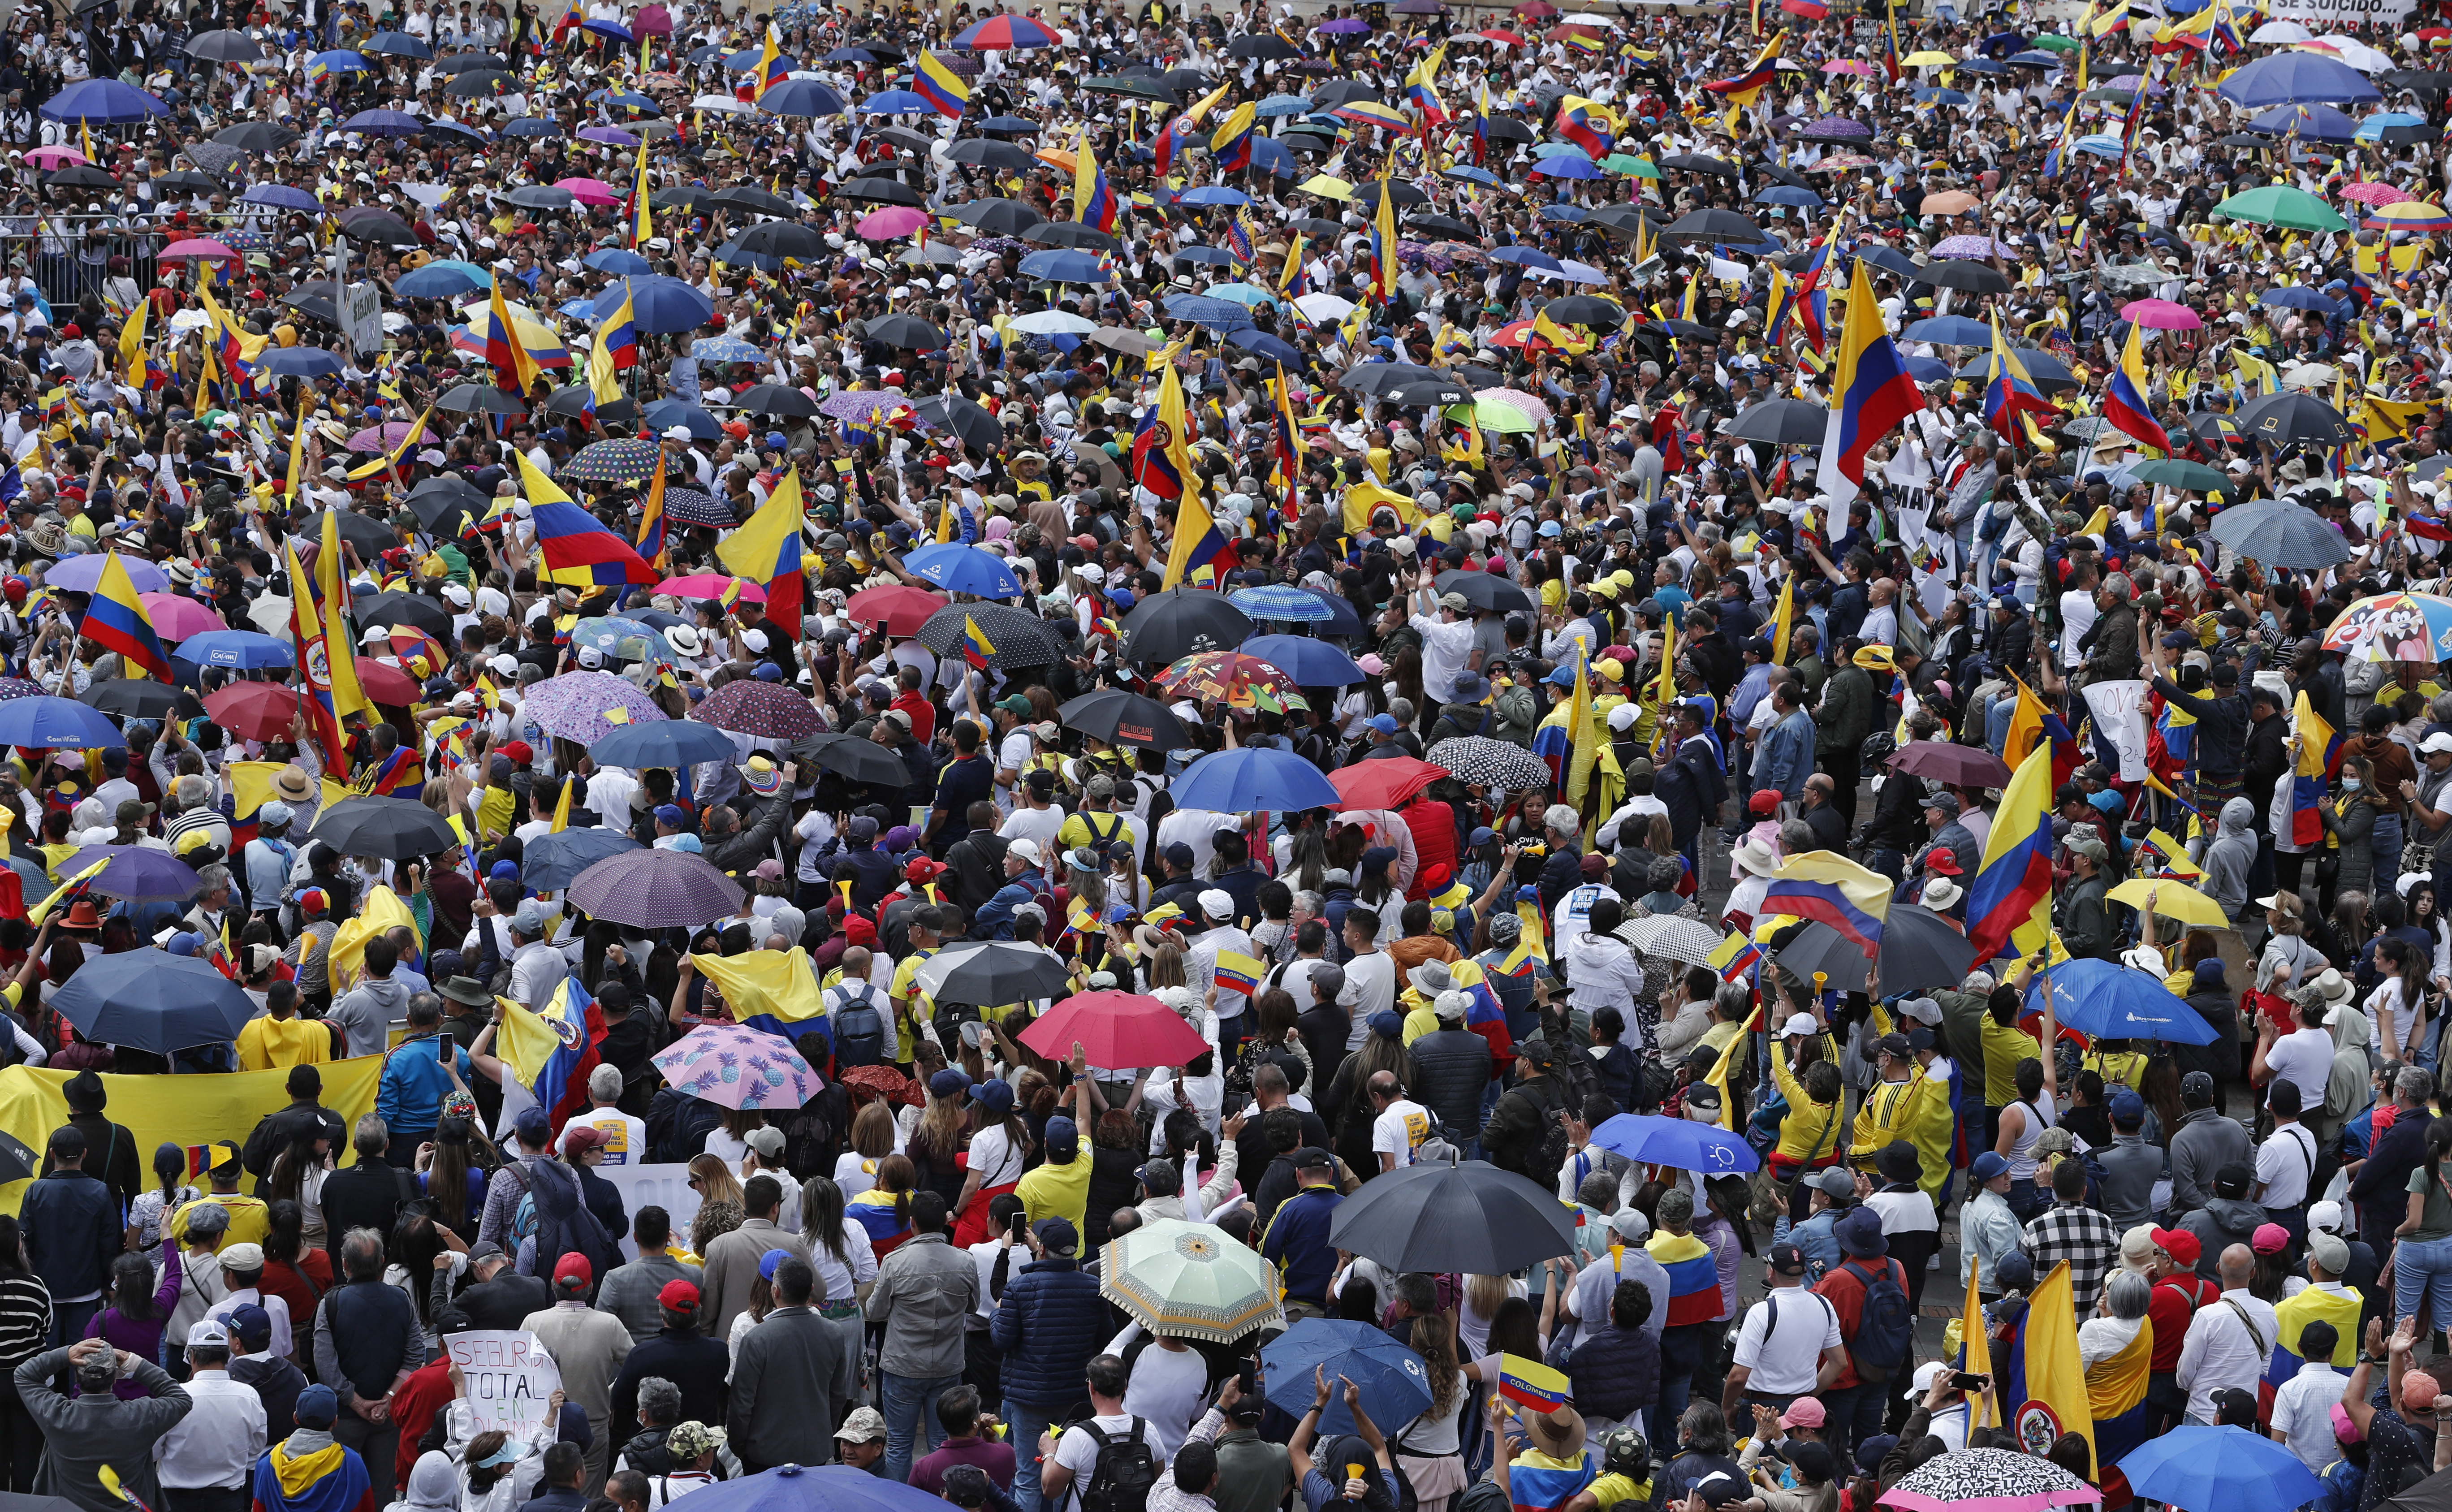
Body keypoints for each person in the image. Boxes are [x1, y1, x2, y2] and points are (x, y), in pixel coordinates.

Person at [863, 1191, 979, 1484]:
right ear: (944, 1222)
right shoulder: (965, 1261)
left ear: (912, 1222)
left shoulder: (896, 1261)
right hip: (948, 1365)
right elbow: (973, 1306)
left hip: (903, 1365)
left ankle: (899, 1504)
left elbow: (875, 1311)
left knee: (900, 1445)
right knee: (943, 1443)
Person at [15, 1336, 192, 1512]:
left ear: (77, 1377)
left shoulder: (58, 1416)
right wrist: (137, 1365)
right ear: (115, 1378)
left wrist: (66, 1354)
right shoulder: (140, 1416)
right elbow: (181, 1399)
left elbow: (25, 1375)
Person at [311, 1229, 423, 1497]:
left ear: (345, 1265)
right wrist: (389, 1398)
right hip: (384, 1415)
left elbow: (325, 1364)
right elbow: (415, 1357)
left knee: (340, 1490)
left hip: (348, 1417)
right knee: (382, 1490)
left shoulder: (331, 1303)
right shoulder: (401, 1299)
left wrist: (359, 1401)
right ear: (382, 1261)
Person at [727, 1257, 857, 1474]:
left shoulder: (758, 1338)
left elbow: (741, 1403)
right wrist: (825, 1434)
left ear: (775, 1291)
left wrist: (739, 1446)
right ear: (811, 1290)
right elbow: (837, 1396)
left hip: (764, 1454)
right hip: (815, 1451)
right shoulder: (833, 1334)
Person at [519, 1255, 633, 1494]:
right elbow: (635, 1366)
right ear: (592, 1288)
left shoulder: (533, 1323)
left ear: (553, 1285)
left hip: (544, 1428)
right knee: (589, 1499)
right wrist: (609, 1392)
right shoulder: (610, 1324)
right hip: (594, 1428)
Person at [23, 1126, 121, 1350]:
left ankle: (48, 1387)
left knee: (46, 1352)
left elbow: (25, 1241)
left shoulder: (36, 1191)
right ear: (84, 1154)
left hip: (44, 1286)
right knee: (84, 1352)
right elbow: (108, 1243)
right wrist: (108, 1282)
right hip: (86, 1287)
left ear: (51, 1154)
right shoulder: (100, 1191)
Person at [153, 1320, 267, 1512]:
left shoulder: (174, 1398)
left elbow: (154, 1451)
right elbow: (255, 1449)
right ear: (227, 1355)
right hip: (228, 1499)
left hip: (178, 1501)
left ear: (192, 1356)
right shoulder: (248, 1396)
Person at [1037, 1354, 1169, 1512]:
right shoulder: (1147, 1429)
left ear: (1091, 1386)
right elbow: (1156, 1478)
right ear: (1124, 1386)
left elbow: (1050, 1491)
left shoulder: (1077, 1436)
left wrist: (1049, 1453)